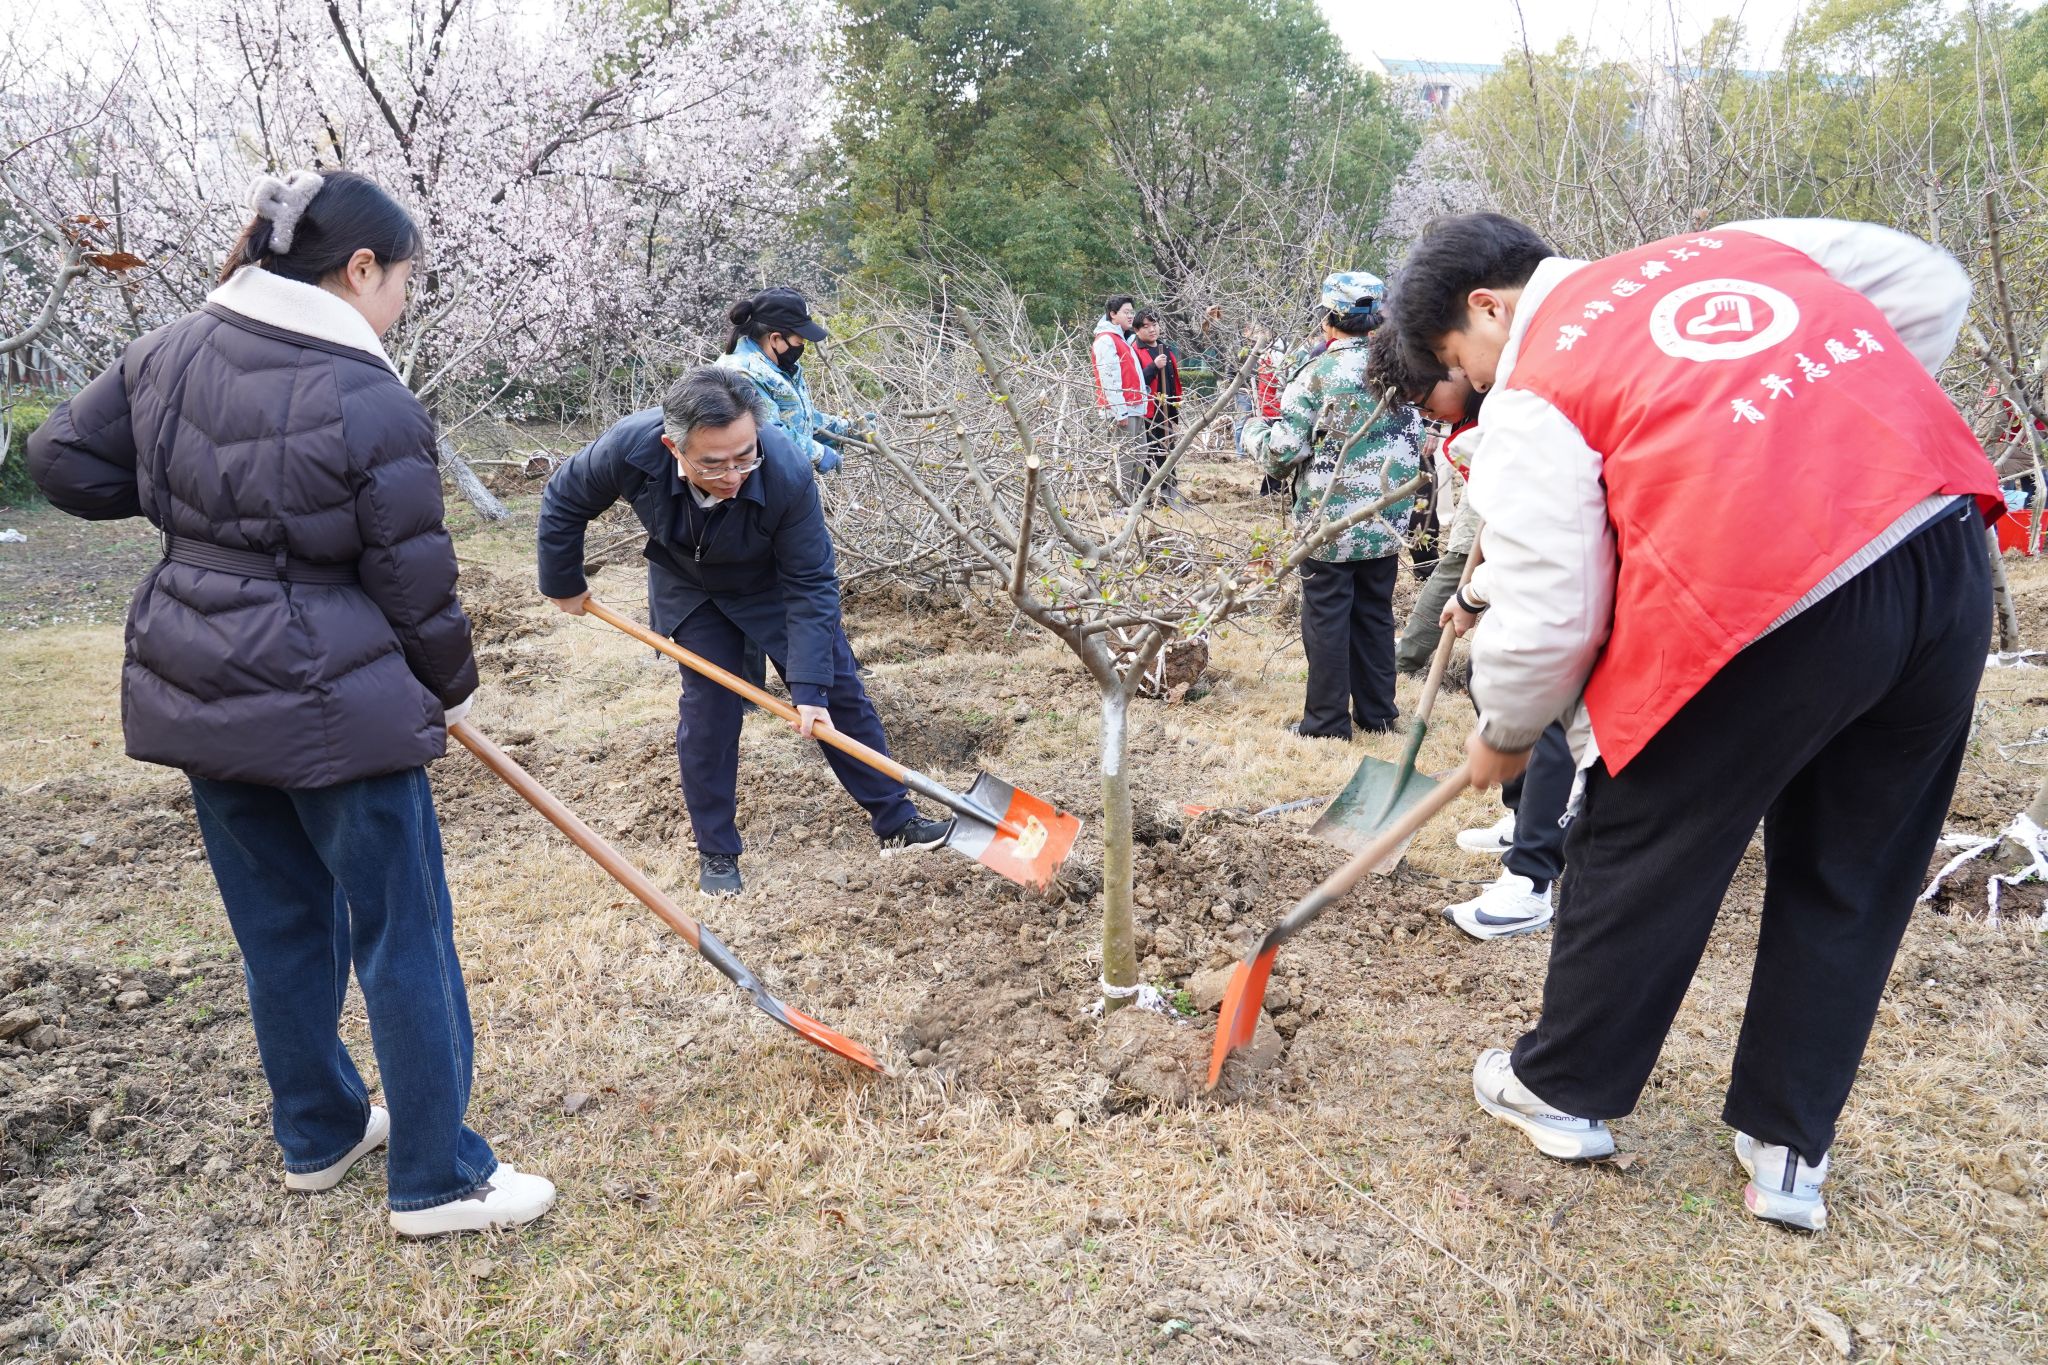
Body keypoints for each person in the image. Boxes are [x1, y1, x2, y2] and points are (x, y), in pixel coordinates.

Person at [1390, 212, 2000, 1230]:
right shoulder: (1733, 247)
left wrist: (1504, 730)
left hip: (1763, 594)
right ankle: (1788, 1150)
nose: (1478, 382)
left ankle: (1563, 1087)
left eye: (1461, 361)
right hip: (1939, 552)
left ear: (1486, 308)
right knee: (1856, 863)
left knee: (1641, 834)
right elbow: (1929, 285)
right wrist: (1824, 435)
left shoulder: (1539, 380)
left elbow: (1553, 604)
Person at [25, 170, 554, 1238]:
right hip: (333, 699)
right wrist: (449, 689)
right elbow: (413, 580)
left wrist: (196, 511)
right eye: (403, 280)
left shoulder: (169, 350)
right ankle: (438, 1178)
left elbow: (59, 457)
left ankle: (319, 1132)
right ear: (359, 268)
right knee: (404, 931)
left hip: (199, 681)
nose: (402, 300)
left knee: (279, 926)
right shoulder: (367, 394)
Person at [536, 367, 954, 897]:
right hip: (689, 583)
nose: (733, 474)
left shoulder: (785, 470)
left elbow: (811, 582)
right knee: (709, 710)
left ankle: (897, 822)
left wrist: (809, 690)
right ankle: (717, 851)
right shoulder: (629, 448)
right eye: (713, 464)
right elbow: (565, 498)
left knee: (838, 692)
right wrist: (563, 582)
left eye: (744, 457)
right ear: (673, 447)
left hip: (771, 583)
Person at [1245, 271, 1424, 740]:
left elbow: (1283, 453)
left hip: (1330, 523)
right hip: (1387, 519)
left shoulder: (1318, 373)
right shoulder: (1403, 366)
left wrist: (1252, 433)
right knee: (1375, 615)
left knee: (1326, 617)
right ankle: (1378, 714)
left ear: (1328, 319)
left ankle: (1326, 722)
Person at [716, 287, 850, 474]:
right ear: (775, 338)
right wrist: (818, 453)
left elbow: (798, 417)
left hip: (785, 473)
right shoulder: (742, 374)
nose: (801, 348)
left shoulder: (779, 365)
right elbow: (768, 432)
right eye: (799, 343)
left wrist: (845, 428)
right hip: (756, 477)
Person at [1090, 294, 1149, 498]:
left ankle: (1131, 501)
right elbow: (1109, 379)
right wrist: (1119, 411)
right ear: (1113, 314)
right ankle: (1118, 503)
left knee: (1139, 455)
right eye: (1126, 312)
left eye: (1132, 312)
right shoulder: (1106, 340)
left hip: (1135, 407)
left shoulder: (1122, 338)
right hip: (1122, 410)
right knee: (1123, 459)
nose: (1130, 316)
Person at [1131, 309, 1184, 504]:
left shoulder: (1165, 349)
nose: (1152, 330)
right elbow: (1135, 382)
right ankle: (1142, 498)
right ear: (1137, 330)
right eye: (1146, 326)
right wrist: (1154, 366)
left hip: (1166, 411)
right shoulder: (1134, 351)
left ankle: (1169, 493)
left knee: (1167, 453)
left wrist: (1175, 404)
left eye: (1154, 325)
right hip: (1147, 412)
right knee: (1145, 454)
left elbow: (1172, 380)